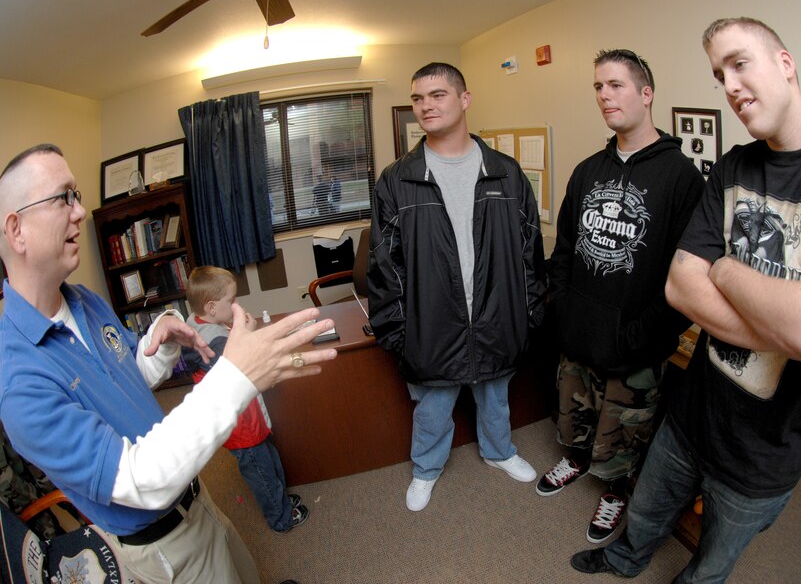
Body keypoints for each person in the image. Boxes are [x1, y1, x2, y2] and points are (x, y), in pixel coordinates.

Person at [570, 17, 801, 582]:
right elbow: (680, 285)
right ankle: (621, 558)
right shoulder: (735, 165)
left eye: (740, 63)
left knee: (714, 559)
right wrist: (792, 316)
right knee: (644, 513)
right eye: (720, 74)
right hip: (694, 411)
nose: (731, 86)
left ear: (785, 63)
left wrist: (724, 270)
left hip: (769, 446)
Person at [0, 144, 337, 583]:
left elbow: (129, 382)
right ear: (16, 229)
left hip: (197, 497)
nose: (80, 211)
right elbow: (140, 478)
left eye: (77, 195)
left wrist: (160, 346)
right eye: (63, 197)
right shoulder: (19, 382)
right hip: (161, 541)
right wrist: (239, 376)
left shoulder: (83, 300)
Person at [537, 49, 704, 545]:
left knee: (623, 437)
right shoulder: (589, 170)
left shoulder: (682, 180)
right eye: (598, 87)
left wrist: (637, 337)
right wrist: (563, 312)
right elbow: (564, 249)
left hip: (635, 349)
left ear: (645, 93)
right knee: (573, 418)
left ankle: (614, 492)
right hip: (578, 334)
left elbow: (687, 279)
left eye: (615, 85)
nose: (604, 96)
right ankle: (573, 461)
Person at [367, 62, 547, 512]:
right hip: (433, 321)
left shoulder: (506, 172)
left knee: (495, 397)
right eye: (418, 98)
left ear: (464, 100)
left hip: (495, 313)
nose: (426, 106)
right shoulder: (396, 179)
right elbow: (385, 264)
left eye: (437, 95)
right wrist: (396, 330)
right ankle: (426, 469)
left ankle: (499, 451)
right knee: (432, 408)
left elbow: (530, 251)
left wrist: (530, 314)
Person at [183, 265, 310, 532]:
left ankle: (281, 500)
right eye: (231, 300)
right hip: (241, 427)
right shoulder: (212, 343)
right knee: (261, 473)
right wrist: (249, 334)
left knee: (271, 461)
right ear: (211, 307)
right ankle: (281, 518)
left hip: (249, 419)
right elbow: (244, 363)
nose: (236, 305)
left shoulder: (200, 322)